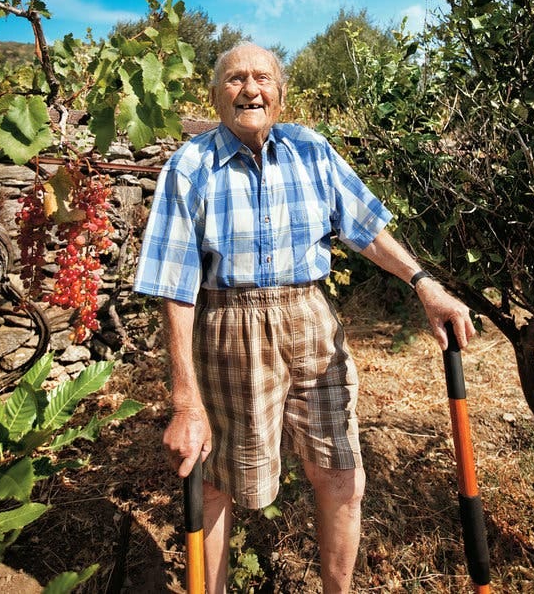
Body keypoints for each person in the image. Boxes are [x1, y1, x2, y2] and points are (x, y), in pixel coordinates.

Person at [134, 42, 474, 594]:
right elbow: (173, 285)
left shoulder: (310, 150)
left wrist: (423, 283)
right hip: (229, 324)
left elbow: (365, 227)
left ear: (281, 92)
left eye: (263, 78)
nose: (251, 89)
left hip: (311, 318)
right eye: (236, 79)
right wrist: (184, 401)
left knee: (342, 468)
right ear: (216, 95)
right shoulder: (190, 166)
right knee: (221, 477)